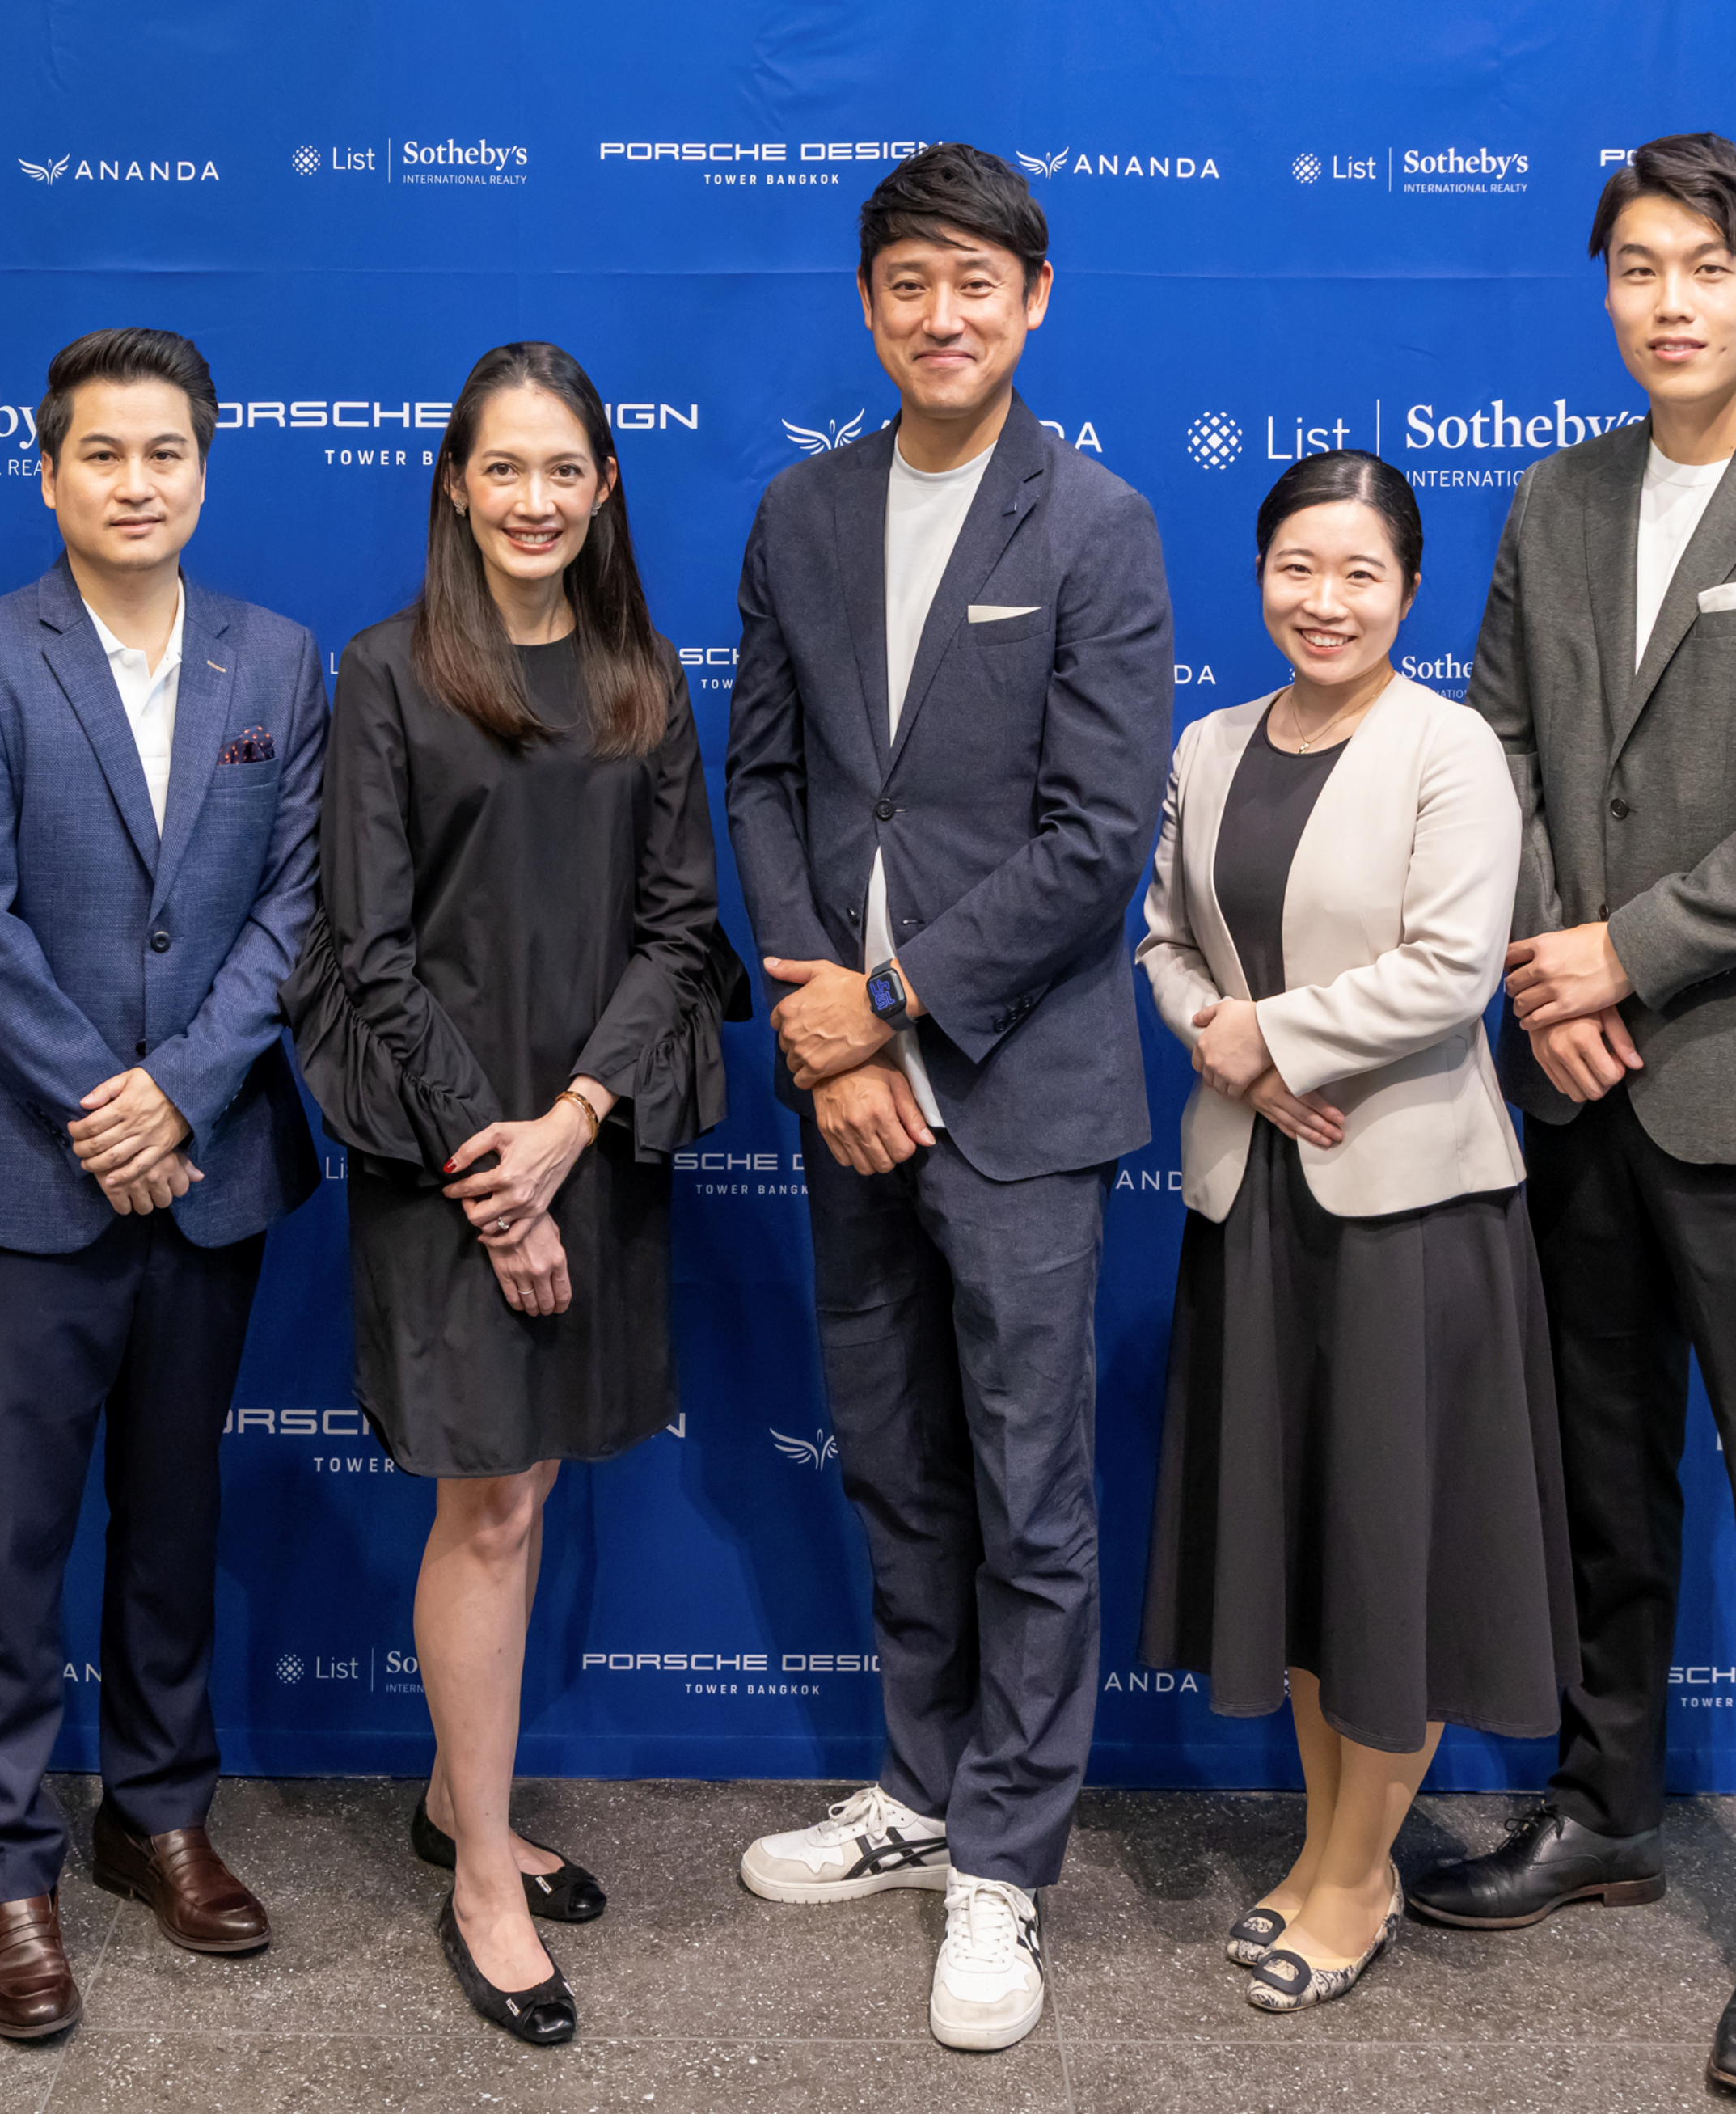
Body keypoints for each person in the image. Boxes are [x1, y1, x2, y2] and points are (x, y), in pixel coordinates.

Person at [1413, 133, 1736, 2096]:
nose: (1669, 300)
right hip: (1574, 1079)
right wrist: (1548, 964)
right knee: (1602, 1476)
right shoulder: (1555, 498)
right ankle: (1605, 1800)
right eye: (1635, 266)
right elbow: (1498, 746)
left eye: (1706, 265)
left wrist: (1619, 954)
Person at [724, 143, 1174, 2053]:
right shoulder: (800, 512)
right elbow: (760, 782)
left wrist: (888, 1009)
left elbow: (1095, 838)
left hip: (1010, 1082)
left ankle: (1008, 1855)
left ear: (1038, 298)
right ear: (868, 304)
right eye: (908, 282)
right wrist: (824, 1031)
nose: (943, 314)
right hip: (847, 1088)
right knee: (896, 1454)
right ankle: (919, 1783)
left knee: (1029, 1484)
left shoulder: (1098, 525)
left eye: (978, 282)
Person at [289, 341, 739, 2048]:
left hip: (590, 1142)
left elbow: (680, 926)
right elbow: (372, 953)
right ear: (455, 487)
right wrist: (498, 1167)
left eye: (566, 471)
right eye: (505, 470)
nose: (536, 500)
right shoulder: (391, 675)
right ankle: (481, 1870)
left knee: (528, 1489)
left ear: (604, 489)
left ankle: (453, 1795)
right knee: (484, 1503)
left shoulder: (641, 680)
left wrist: (574, 1122)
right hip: (441, 1154)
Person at [0, 328, 327, 2041]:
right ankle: (6, 1859)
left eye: (165, 455)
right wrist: (104, 1096)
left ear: (205, 469)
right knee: (12, 1539)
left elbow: (294, 903)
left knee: (175, 1520)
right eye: (102, 456)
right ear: (50, 470)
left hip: (209, 1164)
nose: (135, 483)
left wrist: (184, 1088)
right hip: (32, 1168)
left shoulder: (278, 659)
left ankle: (159, 1808)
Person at [1132, 449, 1577, 2014]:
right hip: (1249, 1199)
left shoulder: (1450, 748)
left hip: (1407, 1216)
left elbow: (1457, 970)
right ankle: (1336, 1847)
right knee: (1304, 1546)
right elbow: (1166, 941)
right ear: (1260, 577)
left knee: (1388, 1554)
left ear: (1407, 587)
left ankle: (1356, 1874)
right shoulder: (1206, 740)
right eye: (1296, 570)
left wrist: (1276, 1040)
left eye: (1360, 575)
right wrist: (1216, 1036)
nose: (1324, 602)